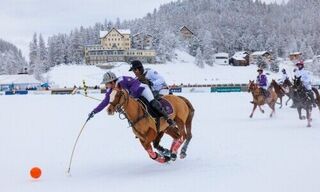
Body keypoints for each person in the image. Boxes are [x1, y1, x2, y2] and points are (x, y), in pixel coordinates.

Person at [88, 71, 177, 127]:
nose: (106, 85)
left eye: (106, 83)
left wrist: (130, 93)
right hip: (134, 97)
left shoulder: (123, 80)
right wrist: (94, 111)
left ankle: (168, 118)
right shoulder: (110, 90)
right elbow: (105, 101)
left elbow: (136, 83)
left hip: (143, 90)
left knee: (152, 102)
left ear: (112, 81)